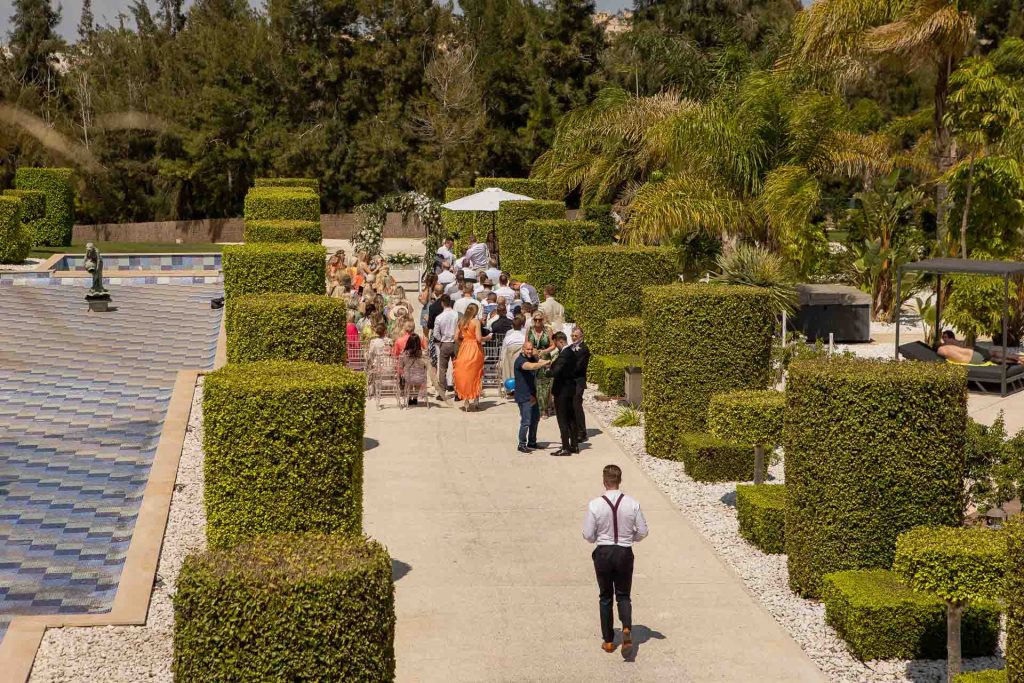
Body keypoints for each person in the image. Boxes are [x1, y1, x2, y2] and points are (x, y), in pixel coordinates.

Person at [582, 464, 649, 655]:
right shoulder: (632, 503)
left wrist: (598, 539)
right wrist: (629, 539)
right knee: (623, 594)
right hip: (624, 552)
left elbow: (587, 534)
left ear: (604, 482)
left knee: (605, 596)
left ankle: (609, 640)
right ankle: (626, 627)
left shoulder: (595, 504)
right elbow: (643, 531)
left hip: (603, 552)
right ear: (620, 481)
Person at [513, 340, 551, 453]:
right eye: (527, 349)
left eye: (531, 349)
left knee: (535, 419)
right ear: (523, 349)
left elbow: (539, 361)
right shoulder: (520, 361)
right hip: (524, 395)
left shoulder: (532, 357)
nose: (529, 351)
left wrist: (548, 361)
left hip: (532, 394)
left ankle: (532, 442)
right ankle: (522, 444)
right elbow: (531, 367)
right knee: (526, 421)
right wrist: (544, 363)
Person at [453, 302, 491, 411]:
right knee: (476, 375)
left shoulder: (461, 321)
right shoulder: (476, 322)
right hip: (475, 349)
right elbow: (479, 338)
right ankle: (476, 400)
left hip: (464, 348)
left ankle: (466, 400)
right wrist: (487, 338)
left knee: (465, 374)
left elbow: (456, 337)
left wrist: (463, 343)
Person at [549, 331, 578, 456]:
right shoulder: (571, 352)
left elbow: (556, 371)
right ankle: (574, 445)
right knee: (571, 418)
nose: (556, 346)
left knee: (563, 419)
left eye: (556, 343)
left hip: (562, 391)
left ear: (560, 341)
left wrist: (547, 372)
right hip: (570, 389)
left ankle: (565, 447)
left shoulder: (565, 354)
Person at [938, 329, 1021, 364]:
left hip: (975, 353)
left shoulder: (949, 343)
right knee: (994, 356)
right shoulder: (951, 344)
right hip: (975, 353)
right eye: (943, 337)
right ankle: (1017, 359)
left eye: (945, 337)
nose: (944, 339)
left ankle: (1017, 359)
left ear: (950, 337)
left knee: (994, 356)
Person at [432, 295, 459, 402]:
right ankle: (458, 392)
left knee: (443, 369)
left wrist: (441, 340)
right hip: (455, 343)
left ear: (442, 303)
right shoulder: (457, 315)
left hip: (445, 343)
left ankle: (442, 392)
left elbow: (435, 333)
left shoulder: (439, 317)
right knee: (457, 368)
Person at [570, 326, 591, 443]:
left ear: (581, 337)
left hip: (579, 381)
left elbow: (578, 366)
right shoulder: (572, 347)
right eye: (572, 336)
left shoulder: (584, 349)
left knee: (577, 405)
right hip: (571, 381)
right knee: (572, 406)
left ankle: (582, 432)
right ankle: (575, 429)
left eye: (576, 336)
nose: (573, 338)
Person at [400, 334, 429, 405]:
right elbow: (426, 366)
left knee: (409, 378)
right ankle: (415, 398)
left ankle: (409, 398)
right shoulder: (423, 354)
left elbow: (401, 366)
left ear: (408, 342)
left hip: (408, 378)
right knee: (418, 376)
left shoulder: (404, 353)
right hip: (420, 378)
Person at [501, 314, 527, 382]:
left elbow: (504, 349)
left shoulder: (508, 337)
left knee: (508, 371)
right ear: (521, 326)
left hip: (509, 355)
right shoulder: (524, 337)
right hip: (520, 355)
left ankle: (510, 388)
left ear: (512, 326)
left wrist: (501, 360)